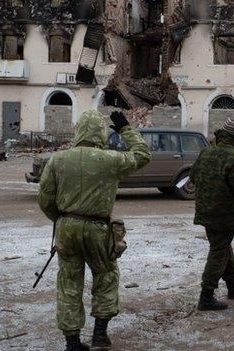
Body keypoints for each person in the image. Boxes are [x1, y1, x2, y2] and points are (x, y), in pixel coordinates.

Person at [37, 110, 151, 351]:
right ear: (101, 132)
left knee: (69, 281)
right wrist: (125, 129)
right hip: (99, 228)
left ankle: (73, 342)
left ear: (78, 131)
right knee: (106, 275)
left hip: (67, 227)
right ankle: (100, 333)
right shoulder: (110, 159)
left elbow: (45, 199)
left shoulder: (58, 160)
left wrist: (62, 219)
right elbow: (142, 155)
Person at [189, 118, 234, 311]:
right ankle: (206, 296)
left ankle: (232, 286)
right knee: (218, 251)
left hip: (206, 211)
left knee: (223, 247)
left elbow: (193, 178)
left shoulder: (206, 152)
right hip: (225, 215)